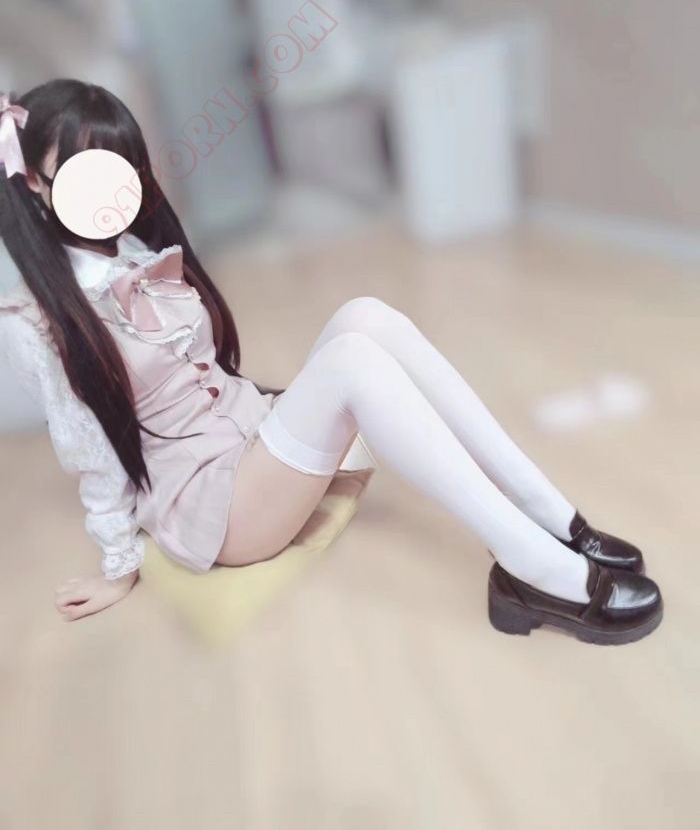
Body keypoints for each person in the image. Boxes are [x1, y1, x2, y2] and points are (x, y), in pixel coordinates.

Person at [0, 80, 663, 644]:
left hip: (249, 437)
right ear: (31, 182)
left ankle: (546, 514)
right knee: (350, 362)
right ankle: (533, 569)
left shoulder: (136, 252)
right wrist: (119, 566)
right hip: (217, 506)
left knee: (365, 314)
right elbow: (90, 450)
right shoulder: (39, 320)